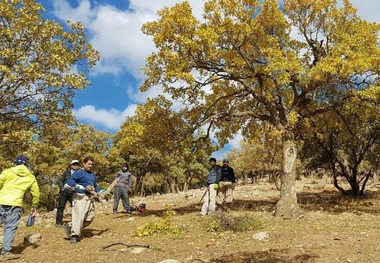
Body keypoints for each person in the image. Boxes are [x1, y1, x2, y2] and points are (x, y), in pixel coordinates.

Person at [0, 155, 40, 260]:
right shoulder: (30, 177)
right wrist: (34, 205)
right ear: (26, 164)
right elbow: (35, 193)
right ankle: (5, 252)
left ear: (15, 162)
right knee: (10, 228)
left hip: (1, 201)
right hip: (15, 204)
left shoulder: (7, 171)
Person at [63, 157, 100, 243]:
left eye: (92, 164)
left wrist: (100, 190)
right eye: (89, 164)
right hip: (80, 196)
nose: (90, 166)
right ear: (84, 163)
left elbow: (95, 186)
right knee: (79, 216)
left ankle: (70, 225)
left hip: (89, 197)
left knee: (90, 217)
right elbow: (69, 181)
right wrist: (77, 185)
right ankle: (74, 235)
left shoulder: (92, 174)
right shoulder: (79, 172)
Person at [55, 160, 80, 227]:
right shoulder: (66, 172)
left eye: (77, 164)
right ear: (71, 165)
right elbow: (60, 180)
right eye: (74, 164)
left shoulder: (80, 173)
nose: (75, 165)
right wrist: (61, 187)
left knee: (75, 207)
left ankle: (76, 222)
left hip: (74, 192)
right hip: (65, 191)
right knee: (61, 206)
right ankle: (58, 222)